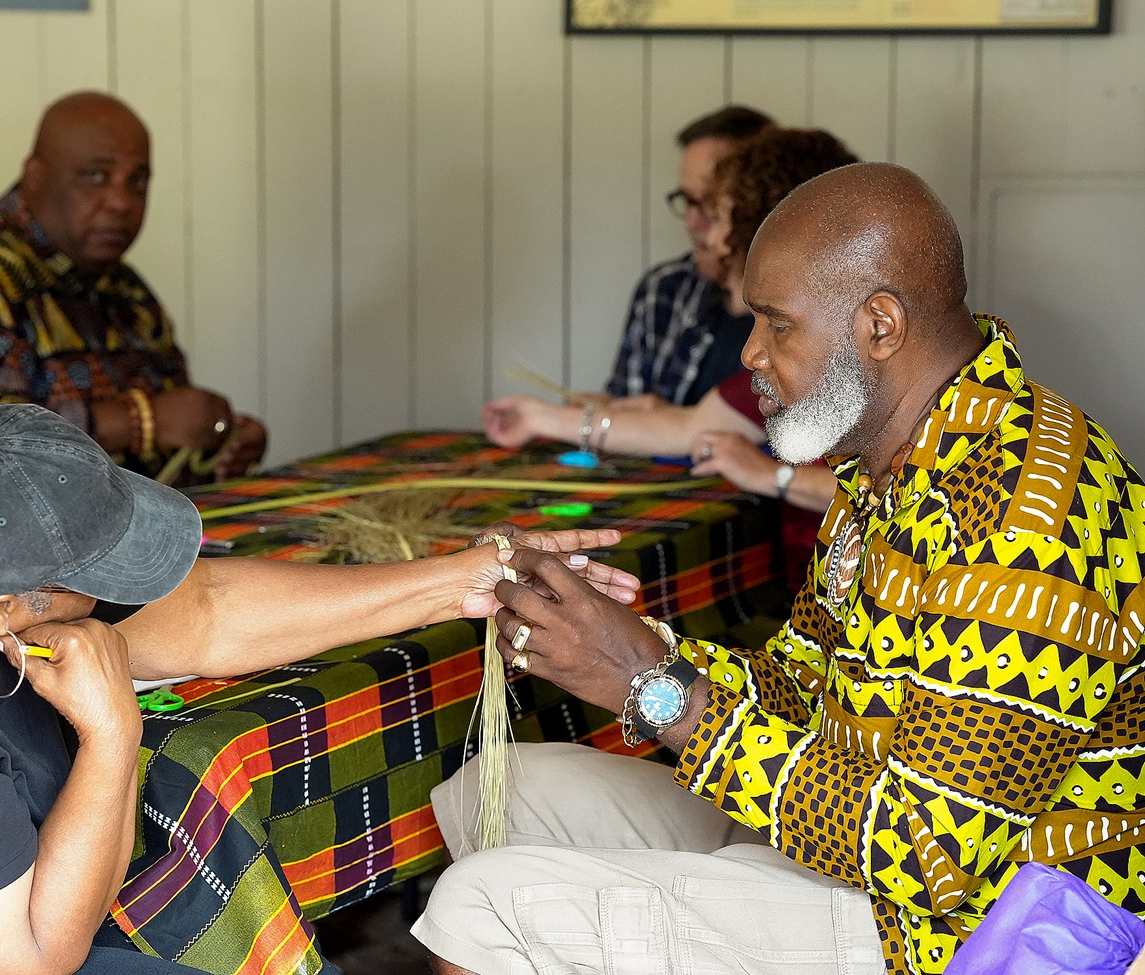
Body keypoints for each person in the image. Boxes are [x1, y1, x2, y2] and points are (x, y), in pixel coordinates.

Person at [414, 162, 1145, 975]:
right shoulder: (892, 461)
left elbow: (929, 852)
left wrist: (655, 690)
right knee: (505, 786)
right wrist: (627, 644)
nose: (752, 353)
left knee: (484, 906)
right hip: (858, 849)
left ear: (880, 325)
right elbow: (802, 683)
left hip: (965, 930)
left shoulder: (1026, 509)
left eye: (777, 323)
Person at [0, 402, 640, 975]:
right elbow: (31, 955)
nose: (115, 595)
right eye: (94, 579)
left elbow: (206, 614)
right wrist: (112, 733)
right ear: (5, 612)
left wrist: (463, 580)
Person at [487, 128, 858, 588]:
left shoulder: (846, 350)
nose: (715, 238)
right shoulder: (790, 342)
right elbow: (693, 425)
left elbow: (897, 498)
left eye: (721, 215)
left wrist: (774, 477)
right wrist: (548, 415)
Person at [0, 91, 266, 482]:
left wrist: (217, 445)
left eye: (137, 181)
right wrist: (140, 422)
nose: (121, 201)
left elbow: (168, 440)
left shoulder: (126, 291)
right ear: (34, 177)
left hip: (128, 532)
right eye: (95, 176)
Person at [602, 105, 773, 406]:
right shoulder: (665, 288)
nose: (693, 222)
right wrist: (598, 413)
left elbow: (714, 427)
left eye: (710, 204)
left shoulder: (804, 313)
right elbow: (626, 407)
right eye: (686, 200)